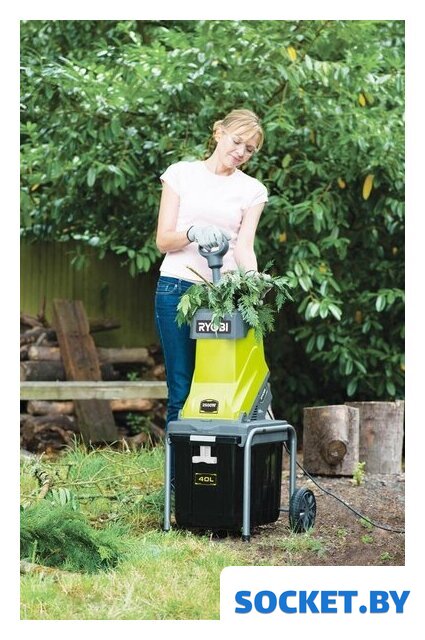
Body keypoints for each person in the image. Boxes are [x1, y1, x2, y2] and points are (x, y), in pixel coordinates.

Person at [154, 108, 268, 481]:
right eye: (237, 142)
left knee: (220, 389)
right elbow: (163, 240)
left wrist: (253, 284)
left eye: (249, 149)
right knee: (182, 388)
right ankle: (179, 485)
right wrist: (192, 233)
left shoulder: (252, 190)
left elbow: (244, 247)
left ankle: (216, 479)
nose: (241, 152)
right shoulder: (181, 175)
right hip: (176, 290)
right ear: (219, 133)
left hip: (222, 300)